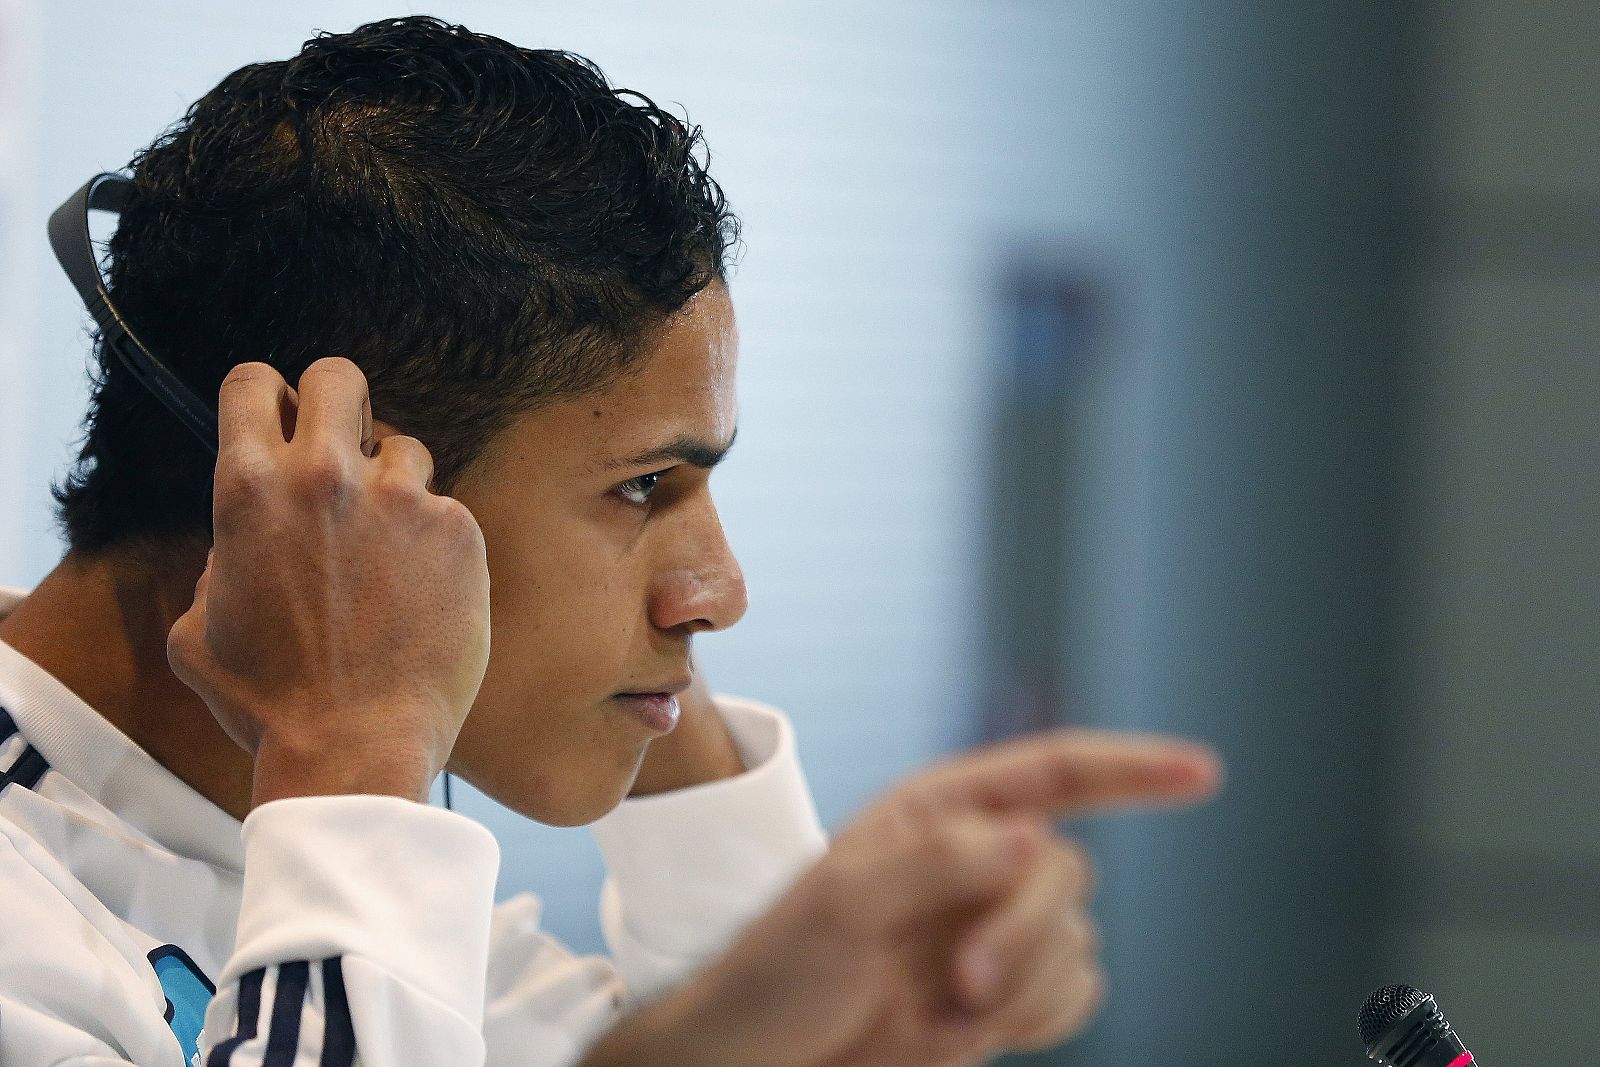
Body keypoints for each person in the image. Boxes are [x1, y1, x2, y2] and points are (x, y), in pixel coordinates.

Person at [0, 16, 1222, 1067]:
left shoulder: (320, 851)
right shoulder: (309, 829)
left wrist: (830, 954)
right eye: (643, 484)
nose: (722, 593)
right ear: (330, 487)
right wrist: (354, 741)